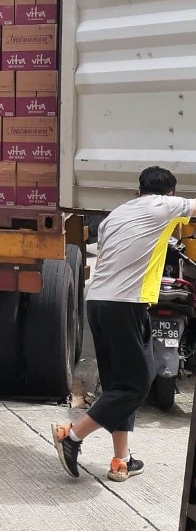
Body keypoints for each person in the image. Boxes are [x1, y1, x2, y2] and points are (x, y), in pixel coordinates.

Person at [53, 166, 196, 482]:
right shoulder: (165, 205)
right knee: (137, 383)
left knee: (119, 387)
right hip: (126, 304)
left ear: (139, 189)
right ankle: (72, 436)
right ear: (169, 193)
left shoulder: (115, 215)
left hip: (97, 302)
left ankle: (122, 459)